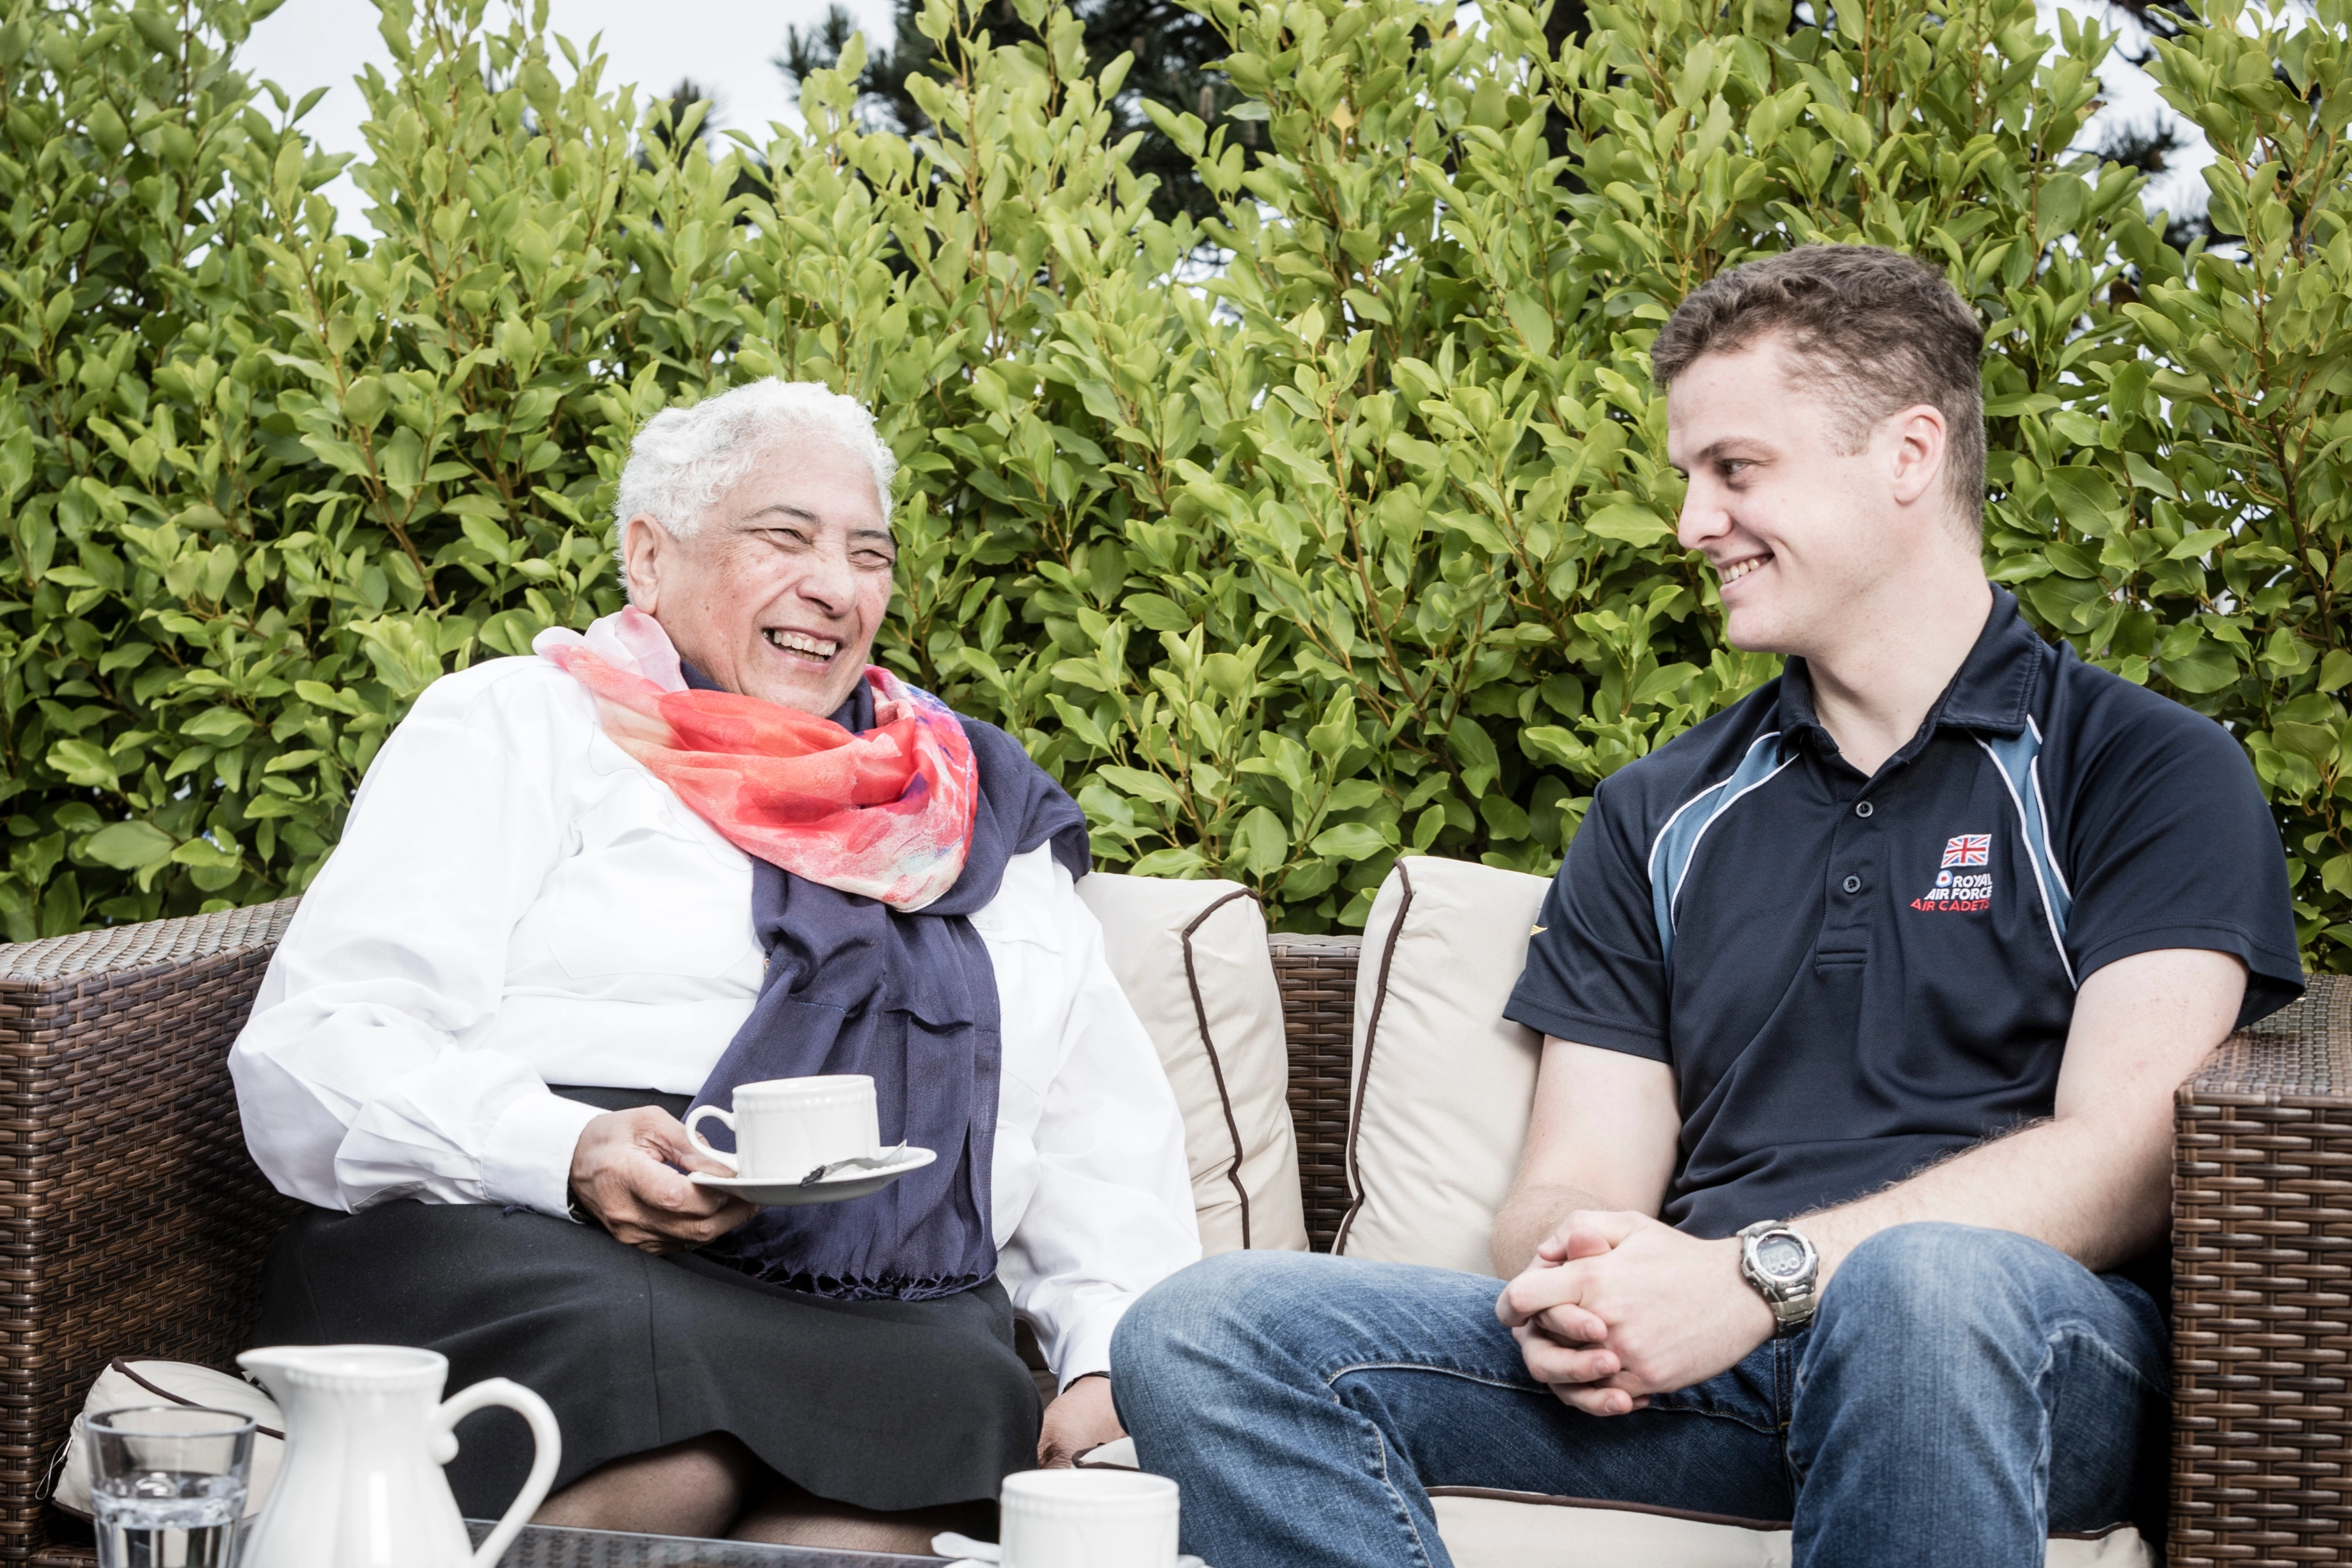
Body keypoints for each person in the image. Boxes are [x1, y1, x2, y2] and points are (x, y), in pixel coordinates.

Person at [1110, 244, 2303, 1567]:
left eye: (1732, 471)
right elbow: (1571, 1169)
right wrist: (1589, 1269)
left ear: (1906, 454)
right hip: (1715, 1355)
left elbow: (2121, 1157)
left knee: (1920, 1289)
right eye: (1688, 478)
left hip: (2018, 1350)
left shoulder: (2137, 766)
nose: (1689, 523)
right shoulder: (1659, 810)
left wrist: (1756, 1274)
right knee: (1201, 1328)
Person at [230, 379, 1200, 1553]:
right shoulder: (520, 727)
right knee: (666, 1449)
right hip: (538, 1231)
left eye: (867, 553)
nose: (835, 588)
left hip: (891, 1287)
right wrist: (565, 1151)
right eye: (783, 537)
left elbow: (1096, 1130)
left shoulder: (966, 811)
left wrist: (1105, 1358)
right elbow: (317, 1042)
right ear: (649, 557)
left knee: (929, 1428)